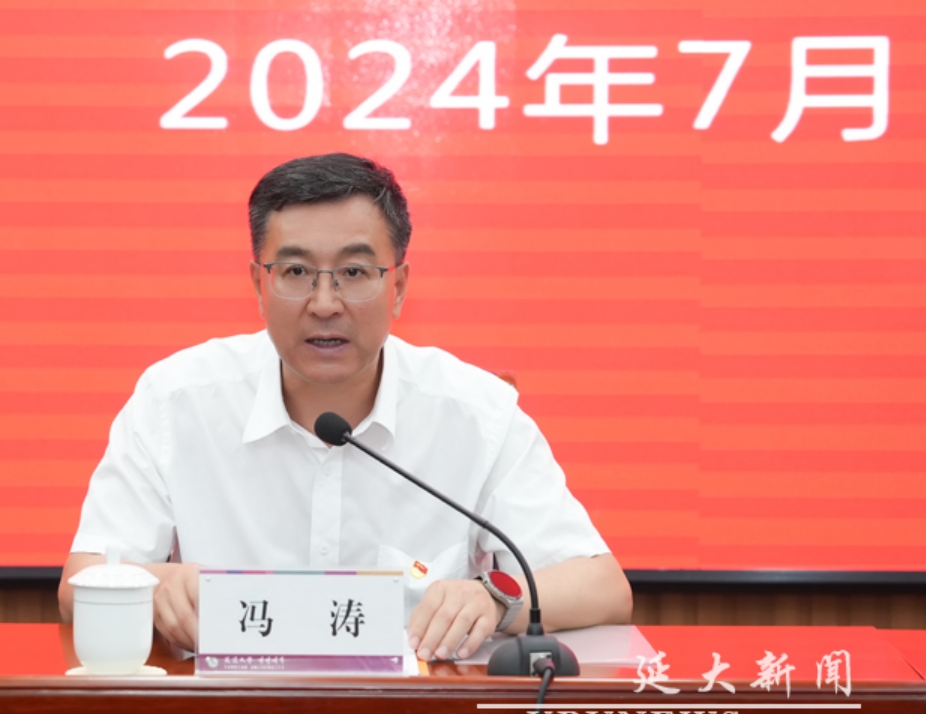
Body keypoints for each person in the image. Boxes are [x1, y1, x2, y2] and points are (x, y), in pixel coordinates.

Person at [59, 153, 631, 662]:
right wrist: (155, 585)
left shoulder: (476, 413)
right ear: (258, 285)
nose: (325, 303)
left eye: (354, 273)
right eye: (295, 272)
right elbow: (79, 584)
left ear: (398, 287)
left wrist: (495, 598)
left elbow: (603, 587)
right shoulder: (174, 401)